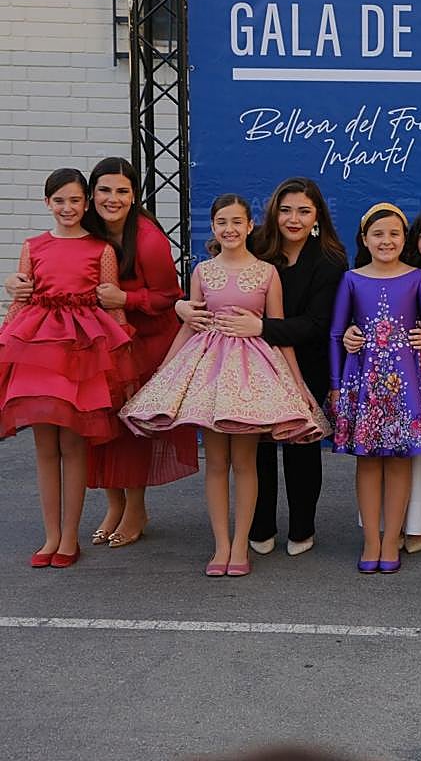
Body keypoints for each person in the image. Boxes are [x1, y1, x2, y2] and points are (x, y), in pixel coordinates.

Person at [121, 194, 328, 577]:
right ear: (213, 228)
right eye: (221, 222)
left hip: (253, 375)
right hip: (209, 375)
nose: (230, 229)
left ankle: (240, 546)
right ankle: (220, 546)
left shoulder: (267, 273)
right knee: (216, 463)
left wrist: (297, 383)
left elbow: (279, 331)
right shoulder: (202, 272)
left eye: (237, 222)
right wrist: (162, 376)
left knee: (246, 463)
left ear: (250, 226)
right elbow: (189, 324)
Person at [6, 158, 199, 549]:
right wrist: (17, 284)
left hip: (142, 339)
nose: (113, 199)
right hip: (92, 344)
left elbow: (170, 296)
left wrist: (127, 298)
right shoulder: (86, 228)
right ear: (91, 195)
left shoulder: (146, 238)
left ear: (134, 196)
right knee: (100, 428)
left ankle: (135, 508)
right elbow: (44, 267)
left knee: (129, 431)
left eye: (123, 191)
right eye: (105, 190)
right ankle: (113, 504)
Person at [178, 177, 348, 559]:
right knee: (255, 444)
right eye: (286, 210)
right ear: (272, 213)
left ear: (317, 215)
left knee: (300, 446)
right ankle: (261, 524)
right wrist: (181, 306)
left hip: (305, 361)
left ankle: (303, 525)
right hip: (246, 363)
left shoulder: (330, 261)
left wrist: (263, 328)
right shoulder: (256, 247)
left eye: (304, 211)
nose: (293, 219)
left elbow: (320, 323)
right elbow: (214, 288)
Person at [0, 168, 137, 568]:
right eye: (59, 200)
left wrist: (123, 363)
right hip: (38, 351)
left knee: (73, 445)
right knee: (45, 446)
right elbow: (21, 300)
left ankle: (70, 538)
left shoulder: (101, 250)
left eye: (75, 200)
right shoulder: (33, 245)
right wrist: (8, 338)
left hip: (80, 355)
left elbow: (112, 307)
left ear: (86, 203)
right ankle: (50, 536)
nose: (67, 208)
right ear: (47, 203)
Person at [327, 203, 421, 574]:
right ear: (365, 239)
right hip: (365, 381)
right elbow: (337, 333)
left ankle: (391, 541)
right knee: (368, 462)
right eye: (378, 234)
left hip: (407, 383)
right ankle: (372, 539)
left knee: (400, 459)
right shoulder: (352, 279)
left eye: (394, 234)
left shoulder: (416, 278)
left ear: (405, 239)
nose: (386, 241)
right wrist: (337, 387)